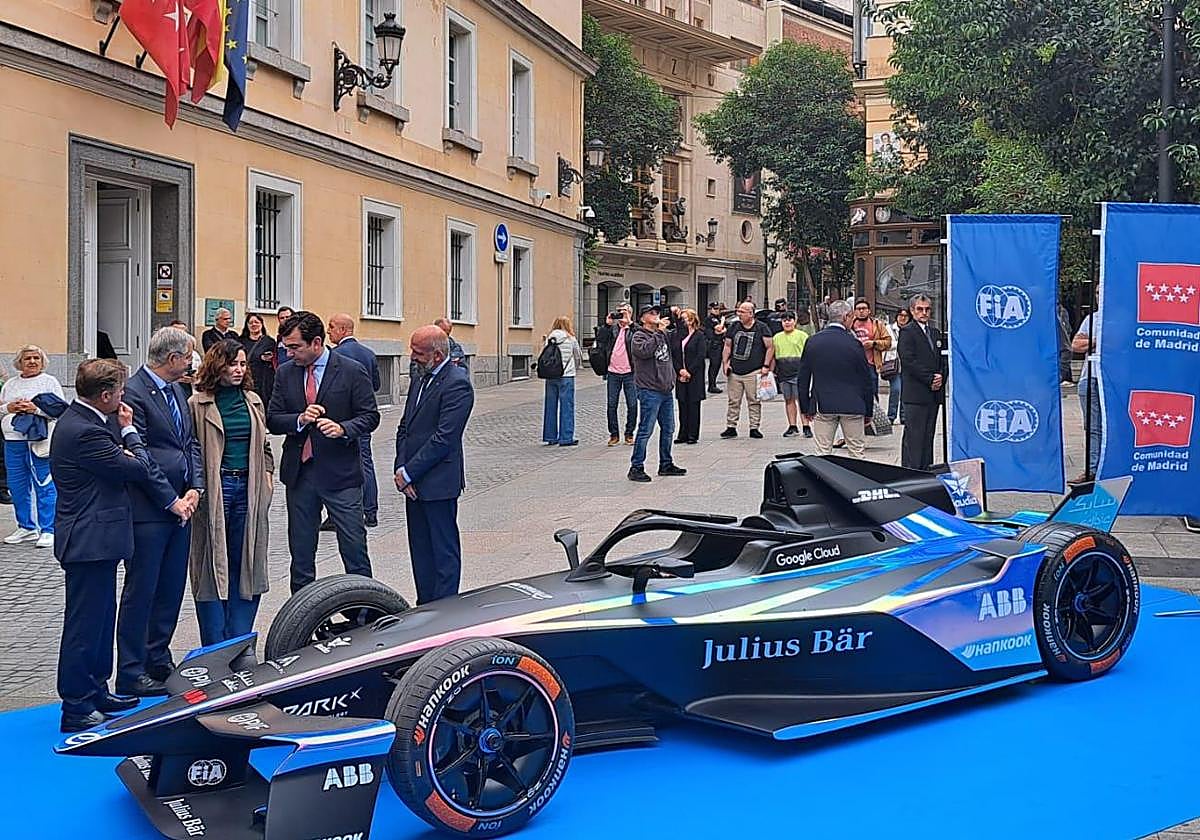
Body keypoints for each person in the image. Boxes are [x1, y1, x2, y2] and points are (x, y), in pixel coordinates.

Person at [51, 359, 157, 732]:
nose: (124, 400)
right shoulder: (84, 431)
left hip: (100, 539)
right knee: (85, 624)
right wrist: (130, 433)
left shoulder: (90, 421)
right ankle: (76, 703)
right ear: (107, 395)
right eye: (121, 393)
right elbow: (138, 468)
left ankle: (97, 688)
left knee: (99, 621)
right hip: (88, 539)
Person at [116, 326, 203, 697]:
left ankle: (158, 657)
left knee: (170, 588)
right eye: (188, 356)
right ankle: (131, 669)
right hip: (150, 510)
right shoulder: (135, 393)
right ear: (173, 359)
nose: (192, 362)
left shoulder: (178, 390)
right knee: (143, 591)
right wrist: (172, 499)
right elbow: (142, 456)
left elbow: (190, 444)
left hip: (181, 506)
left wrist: (195, 487)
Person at [267, 311, 380, 593]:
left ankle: (364, 612)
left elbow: (370, 416)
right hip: (300, 474)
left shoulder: (352, 370)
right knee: (301, 554)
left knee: (354, 548)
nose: (289, 353)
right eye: (286, 347)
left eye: (295, 347)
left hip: (340, 474)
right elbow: (273, 418)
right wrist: (299, 420)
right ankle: (304, 618)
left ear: (317, 343)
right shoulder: (285, 372)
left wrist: (343, 429)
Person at [188, 340, 274, 645]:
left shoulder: (252, 400)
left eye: (242, 364)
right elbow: (192, 450)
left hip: (249, 488)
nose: (238, 370)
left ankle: (240, 642)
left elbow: (263, 445)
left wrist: (267, 475)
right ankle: (215, 645)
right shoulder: (198, 404)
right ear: (216, 366)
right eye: (231, 364)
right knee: (212, 564)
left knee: (246, 561)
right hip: (216, 488)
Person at [394, 325, 475, 604]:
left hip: (439, 481)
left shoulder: (457, 383)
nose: (412, 357)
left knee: (443, 549)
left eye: (418, 352)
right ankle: (424, 604)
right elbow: (405, 426)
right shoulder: (420, 378)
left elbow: (444, 438)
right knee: (420, 548)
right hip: (412, 481)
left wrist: (409, 471)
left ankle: (445, 609)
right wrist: (400, 468)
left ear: (438, 355)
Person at [1, 345, 64, 547]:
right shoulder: (10, 384)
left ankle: (48, 528)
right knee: (17, 485)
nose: (32, 361)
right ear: (19, 362)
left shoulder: (49, 382)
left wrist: (35, 409)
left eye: (36, 357)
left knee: (44, 484)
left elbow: (60, 410)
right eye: (28, 358)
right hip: (13, 440)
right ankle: (26, 526)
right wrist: (9, 407)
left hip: (39, 442)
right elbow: (2, 408)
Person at [796, 300, 875, 458]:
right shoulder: (854, 344)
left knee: (823, 452)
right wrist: (868, 410)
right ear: (846, 316)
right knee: (856, 452)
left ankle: (823, 481)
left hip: (823, 404)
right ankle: (856, 482)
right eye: (851, 316)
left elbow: (803, 378)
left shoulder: (813, 341)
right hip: (853, 404)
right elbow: (867, 380)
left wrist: (805, 407)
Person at [329, 313, 382, 526]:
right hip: (363, 417)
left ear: (343, 330)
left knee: (337, 464)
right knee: (365, 462)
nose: (328, 331)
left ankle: (336, 514)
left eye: (331, 327)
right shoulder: (368, 354)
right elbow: (376, 385)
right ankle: (371, 511)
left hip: (340, 420)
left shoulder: (335, 355)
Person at [628, 305, 687, 482]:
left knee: (668, 428)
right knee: (646, 429)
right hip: (649, 389)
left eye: (657, 313)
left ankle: (666, 463)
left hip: (665, 389)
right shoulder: (638, 336)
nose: (655, 315)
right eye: (651, 313)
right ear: (642, 318)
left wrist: (677, 318)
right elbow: (645, 351)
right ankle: (636, 466)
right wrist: (659, 333)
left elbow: (681, 336)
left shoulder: (664, 335)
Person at [898, 293, 947, 470]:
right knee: (914, 437)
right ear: (912, 310)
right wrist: (929, 378)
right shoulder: (907, 332)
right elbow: (908, 360)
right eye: (920, 309)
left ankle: (927, 470)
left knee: (928, 436)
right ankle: (912, 472)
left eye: (927, 309)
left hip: (932, 396)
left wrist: (941, 376)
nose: (924, 313)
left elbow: (944, 358)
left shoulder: (935, 333)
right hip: (916, 394)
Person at [721, 301, 775, 439]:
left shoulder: (762, 327)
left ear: (751, 313)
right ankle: (731, 426)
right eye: (738, 311)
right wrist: (725, 363)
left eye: (742, 312)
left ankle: (754, 427)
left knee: (754, 400)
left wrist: (766, 366)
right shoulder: (734, 326)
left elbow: (770, 347)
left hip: (754, 370)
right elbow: (728, 345)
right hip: (735, 370)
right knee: (733, 400)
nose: (739, 314)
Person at [597, 304, 637, 446]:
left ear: (630, 314)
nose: (621, 315)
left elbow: (641, 335)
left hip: (630, 373)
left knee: (632, 405)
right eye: (619, 312)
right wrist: (607, 325)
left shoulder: (634, 329)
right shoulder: (612, 330)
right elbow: (600, 341)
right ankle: (614, 434)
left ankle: (629, 433)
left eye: (624, 312)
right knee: (611, 405)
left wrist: (630, 323)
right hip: (613, 372)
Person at [539, 316, 584, 447]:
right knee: (567, 407)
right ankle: (566, 437)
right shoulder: (570, 338)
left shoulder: (550, 338)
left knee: (550, 406)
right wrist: (574, 367)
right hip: (567, 375)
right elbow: (578, 356)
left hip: (550, 376)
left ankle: (550, 436)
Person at [772, 313, 813, 438]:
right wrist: (771, 370)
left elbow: (808, 354)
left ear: (795, 322)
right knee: (788, 400)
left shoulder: (803, 336)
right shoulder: (777, 337)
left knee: (801, 399)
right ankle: (792, 426)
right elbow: (773, 355)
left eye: (790, 320)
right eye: (784, 320)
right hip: (783, 371)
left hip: (799, 371)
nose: (787, 323)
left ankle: (806, 426)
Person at [670, 308, 707, 445]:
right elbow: (674, 354)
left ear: (691, 320)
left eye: (684, 318)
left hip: (694, 375)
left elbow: (701, 355)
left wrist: (689, 371)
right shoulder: (676, 335)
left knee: (693, 404)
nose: (682, 321)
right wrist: (680, 370)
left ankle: (693, 434)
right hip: (681, 375)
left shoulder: (699, 335)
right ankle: (683, 433)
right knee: (682, 403)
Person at [1070, 313, 1100, 484]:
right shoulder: (1092, 319)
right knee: (1092, 427)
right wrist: (1098, 340)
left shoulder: (1123, 317)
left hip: (1112, 379)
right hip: (1089, 377)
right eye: (1097, 292)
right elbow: (1076, 345)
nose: (1099, 295)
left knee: (1110, 426)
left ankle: (1107, 467)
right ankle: (1092, 469)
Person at [240, 313, 276, 407]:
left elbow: (275, 359)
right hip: (246, 378)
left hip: (264, 380)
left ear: (261, 324)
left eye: (256, 322)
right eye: (251, 322)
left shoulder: (269, 341)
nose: (254, 325)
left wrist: (270, 358)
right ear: (247, 325)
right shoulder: (241, 341)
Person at [883, 310, 909, 425]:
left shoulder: (910, 330)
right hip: (894, 364)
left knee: (905, 391)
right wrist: (900, 344)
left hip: (907, 366)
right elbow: (886, 343)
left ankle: (904, 416)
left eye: (905, 316)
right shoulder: (888, 328)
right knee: (896, 389)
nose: (903, 318)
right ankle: (891, 415)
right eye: (901, 316)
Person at [168, 319, 203, 398]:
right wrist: (175, 379)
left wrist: (194, 379)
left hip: (189, 393)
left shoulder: (195, 355)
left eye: (184, 333)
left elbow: (200, 376)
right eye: (177, 332)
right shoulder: (162, 354)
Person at [703, 302, 726, 394]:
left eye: (718, 309)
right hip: (713, 344)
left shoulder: (717, 318)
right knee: (714, 365)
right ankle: (711, 386)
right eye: (715, 309)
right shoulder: (710, 319)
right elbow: (720, 329)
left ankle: (713, 384)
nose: (717, 311)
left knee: (717, 366)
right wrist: (723, 322)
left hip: (719, 343)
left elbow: (722, 331)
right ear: (711, 309)